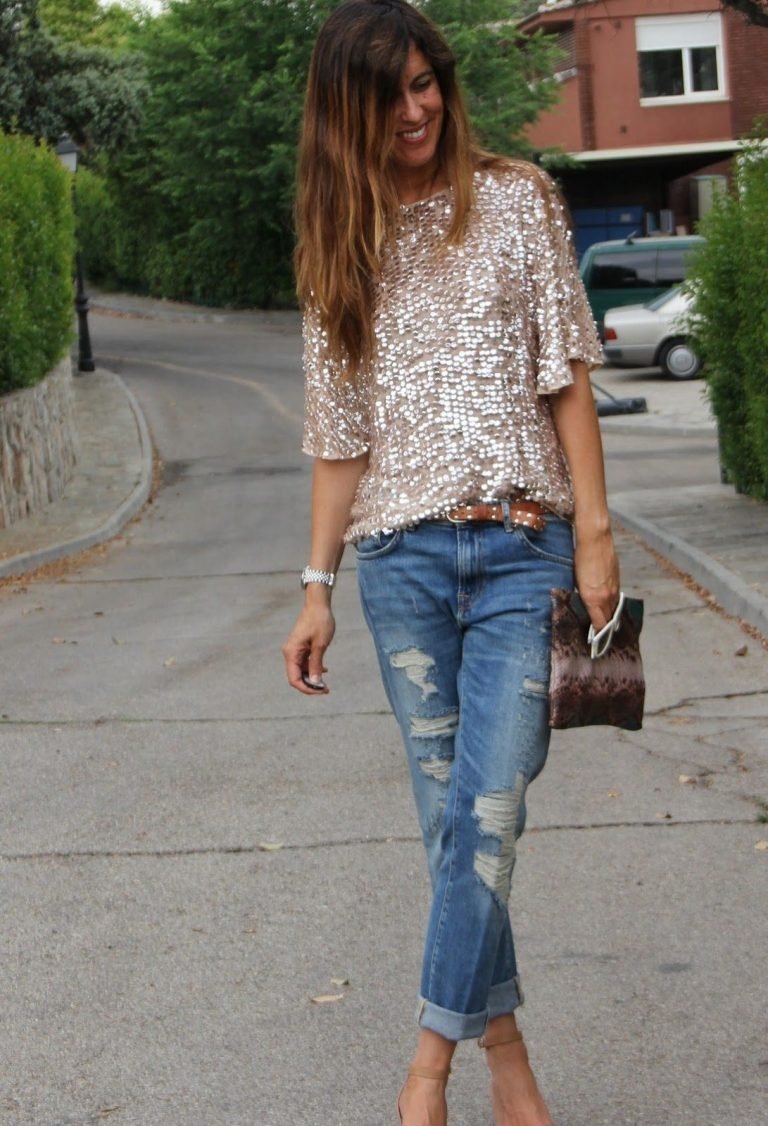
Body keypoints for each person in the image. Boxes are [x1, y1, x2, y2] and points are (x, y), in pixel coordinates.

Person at [282, 2, 620, 1123]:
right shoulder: (339, 240)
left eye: (427, 84)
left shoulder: (518, 199)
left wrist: (597, 533)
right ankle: (508, 1060)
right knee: (454, 826)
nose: (416, 110)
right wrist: (316, 589)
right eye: (390, 96)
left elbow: (567, 373)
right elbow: (340, 439)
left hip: (524, 548)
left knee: (490, 806)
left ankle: (425, 1073)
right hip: (400, 565)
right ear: (348, 112)